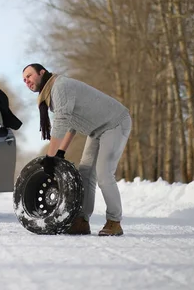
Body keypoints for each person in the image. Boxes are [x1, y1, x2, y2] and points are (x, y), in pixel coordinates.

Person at [22, 63, 132, 236]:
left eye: (29, 76)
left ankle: (114, 221)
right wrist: (60, 152)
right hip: (96, 130)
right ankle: (81, 221)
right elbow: (71, 124)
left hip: (114, 123)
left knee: (104, 173)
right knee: (85, 172)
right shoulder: (51, 94)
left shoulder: (59, 86)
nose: (26, 81)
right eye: (24, 80)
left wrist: (50, 157)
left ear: (42, 72)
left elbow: (61, 121)